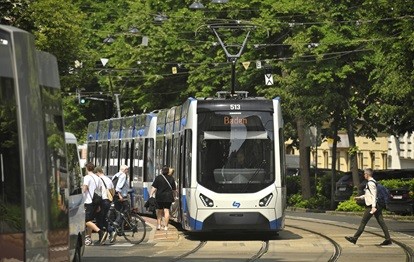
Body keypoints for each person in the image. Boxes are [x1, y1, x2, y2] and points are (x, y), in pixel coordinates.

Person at [345, 168, 392, 246]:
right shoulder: (372, 182)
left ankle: (354, 238)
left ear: (367, 174)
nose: (364, 175)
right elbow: (369, 195)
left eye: (364, 174)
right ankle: (388, 239)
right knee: (381, 222)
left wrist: (373, 207)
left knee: (363, 222)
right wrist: (359, 197)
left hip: (371, 206)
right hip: (376, 205)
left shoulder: (370, 183)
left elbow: (373, 196)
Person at [82, 162, 107, 245]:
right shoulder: (98, 178)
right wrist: (99, 204)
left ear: (86, 168)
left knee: (86, 220)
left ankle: (100, 231)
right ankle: (88, 238)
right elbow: (99, 190)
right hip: (96, 201)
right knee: (90, 220)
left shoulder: (87, 177)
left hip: (88, 201)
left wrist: (80, 193)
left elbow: (84, 189)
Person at [150, 166, 177, 231]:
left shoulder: (158, 178)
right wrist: (174, 195)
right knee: (166, 211)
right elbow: (174, 189)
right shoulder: (171, 178)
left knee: (159, 211)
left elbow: (154, 188)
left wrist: (151, 194)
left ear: (162, 171)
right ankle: (166, 226)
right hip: (168, 197)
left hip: (159, 197)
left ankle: (159, 225)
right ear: (168, 171)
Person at [111, 164, 130, 242]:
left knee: (118, 211)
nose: (127, 171)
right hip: (121, 196)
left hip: (115, 196)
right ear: (124, 170)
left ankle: (117, 230)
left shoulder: (116, 175)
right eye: (127, 170)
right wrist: (120, 196)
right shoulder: (123, 175)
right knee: (125, 211)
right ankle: (116, 223)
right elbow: (118, 187)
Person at [95, 166, 114, 243]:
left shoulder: (98, 179)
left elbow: (97, 191)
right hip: (108, 201)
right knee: (103, 218)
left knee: (99, 219)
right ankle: (110, 232)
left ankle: (102, 236)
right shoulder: (109, 179)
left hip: (101, 201)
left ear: (97, 172)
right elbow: (113, 190)